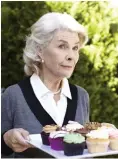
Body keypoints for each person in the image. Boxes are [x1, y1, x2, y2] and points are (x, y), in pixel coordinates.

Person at [1, 12, 89, 157]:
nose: (71, 56)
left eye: (75, 48)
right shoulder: (13, 95)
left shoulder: (82, 96)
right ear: (39, 51)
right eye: (62, 46)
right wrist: (5, 140)